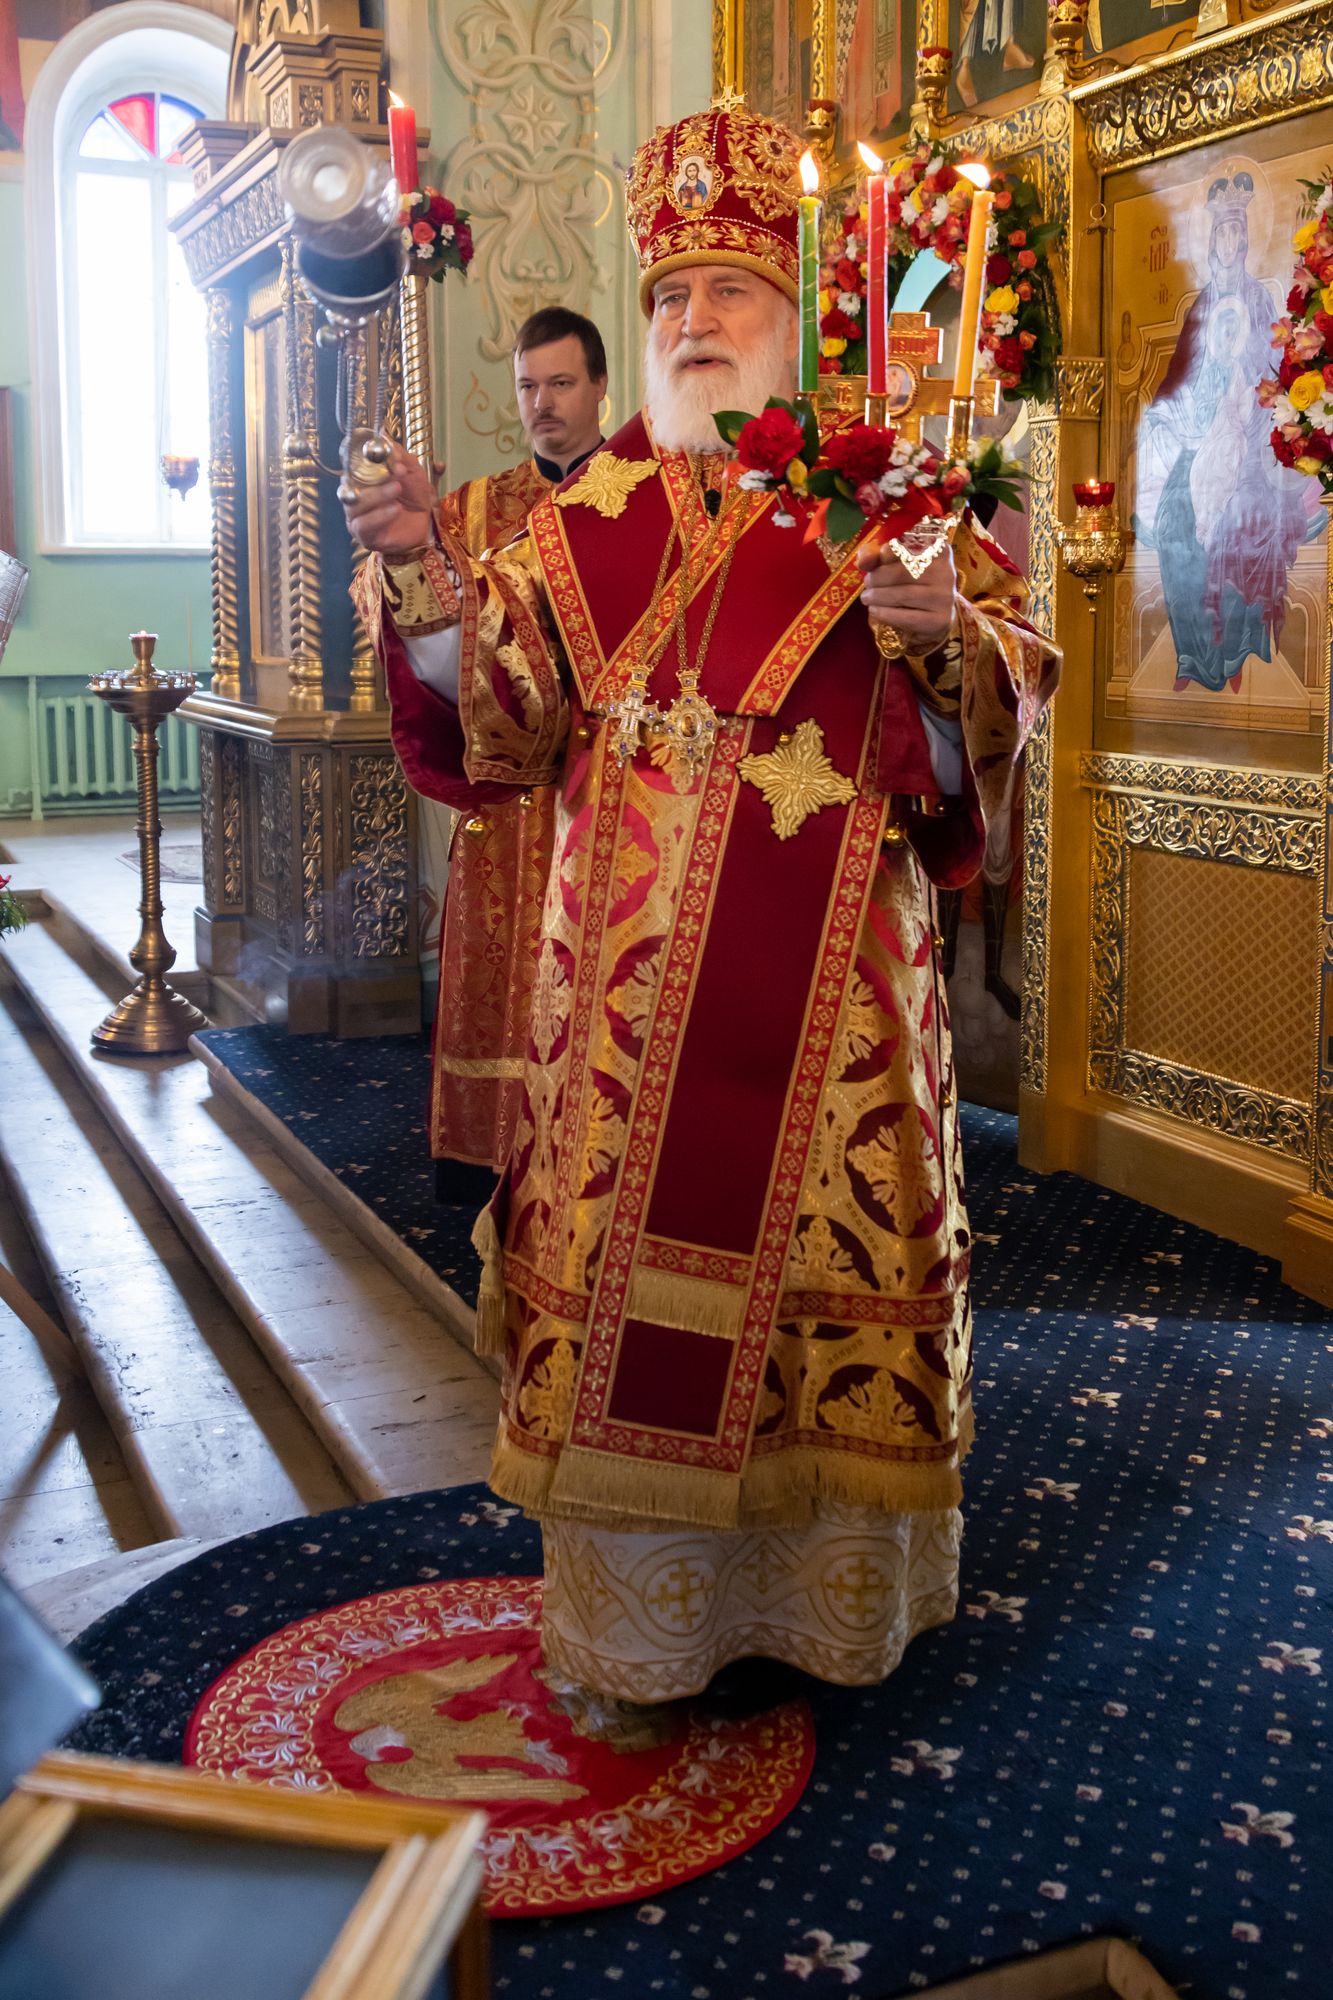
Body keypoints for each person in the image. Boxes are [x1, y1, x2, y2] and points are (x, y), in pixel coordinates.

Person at [346, 106, 1060, 1710]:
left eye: (724, 292)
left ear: (789, 309)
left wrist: (942, 632)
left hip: (833, 1021)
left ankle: (830, 1609)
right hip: (618, 1021)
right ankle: (647, 1625)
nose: (687, 324)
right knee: (620, 1305)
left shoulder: (883, 494)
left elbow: (990, 739)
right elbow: (502, 725)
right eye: (666, 296)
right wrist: (420, 581)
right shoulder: (587, 520)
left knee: (824, 1272)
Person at [429, 308, 607, 1200]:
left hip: (609, 792)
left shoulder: (646, 496)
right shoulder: (471, 509)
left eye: (561, 383)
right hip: (507, 801)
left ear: (602, 385)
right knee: (500, 972)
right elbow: (429, 637)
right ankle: (483, 1157)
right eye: (528, 387)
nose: (542, 404)